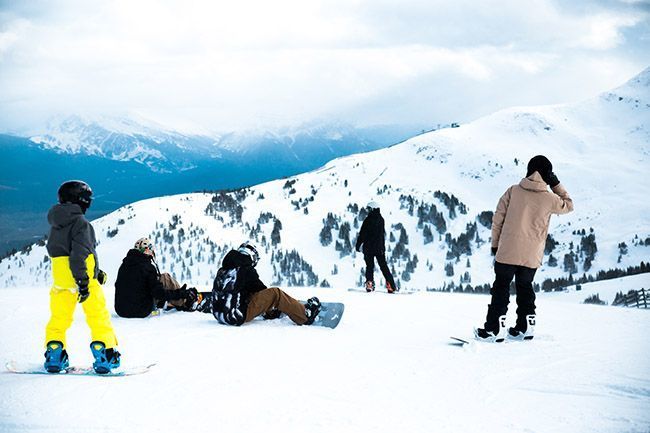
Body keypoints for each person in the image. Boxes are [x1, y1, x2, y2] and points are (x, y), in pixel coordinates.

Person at [475, 155, 574, 342]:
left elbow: (498, 220)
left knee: (501, 287)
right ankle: (525, 328)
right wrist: (556, 184)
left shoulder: (513, 191)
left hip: (508, 250)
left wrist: (495, 245)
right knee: (525, 288)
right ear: (548, 174)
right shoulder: (551, 199)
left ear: (528, 170)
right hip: (531, 254)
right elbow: (569, 205)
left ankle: (493, 330)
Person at [44, 180, 121, 374]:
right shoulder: (81, 223)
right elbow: (79, 255)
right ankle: (105, 355)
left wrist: (97, 272)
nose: (89, 202)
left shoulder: (56, 224)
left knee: (59, 319)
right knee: (98, 317)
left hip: (60, 281)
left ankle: (54, 354)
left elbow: (60, 253)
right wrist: (84, 281)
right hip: (82, 279)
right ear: (80, 200)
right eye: (87, 199)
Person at [211, 242, 321, 326]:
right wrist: (275, 303)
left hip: (220, 316)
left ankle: (271, 312)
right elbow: (262, 290)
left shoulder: (223, 270)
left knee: (249, 293)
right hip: (235, 316)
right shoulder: (246, 268)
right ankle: (305, 315)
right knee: (276, 293)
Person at [114, 237, 209, 318]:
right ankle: (186, 301)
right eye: (151, 250)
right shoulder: (148, 267)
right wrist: (181, 294)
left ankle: (172, 300)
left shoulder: (124, 265)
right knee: (164, 278)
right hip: (141, 310)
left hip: (121, 310)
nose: (152, 253)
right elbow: (159, 294)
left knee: (154, 282)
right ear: (146, 250)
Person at [355, 201, 398, 293]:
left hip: (368, 248)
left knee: (369, 266)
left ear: (372, 209)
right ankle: (391, 285)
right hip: (379, 248)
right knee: (383, 266)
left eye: (369, 209)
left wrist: (358, 245)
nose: (367, 211)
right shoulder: (381, 219)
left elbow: (362, 234)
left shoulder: (368, 220)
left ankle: (369, 284)